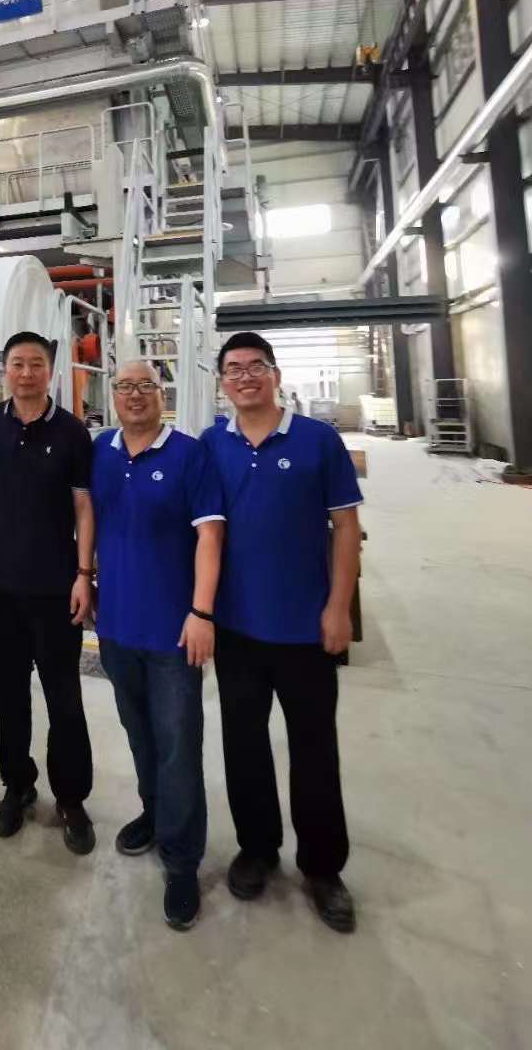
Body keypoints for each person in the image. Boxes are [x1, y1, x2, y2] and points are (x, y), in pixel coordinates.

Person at [201, 332, 363, 934]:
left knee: (314, 750)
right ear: (221, 382)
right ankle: (258, 849)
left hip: (305, 629)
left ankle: (323, 867)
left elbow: (346, 528)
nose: (245, 377)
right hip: (237, 628)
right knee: (243, 745)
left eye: (256, 367)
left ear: (274, 373)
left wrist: (338, 607)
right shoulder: (211, 445)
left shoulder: (318, 440)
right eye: (233, 369)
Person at [90, 360, 224, 930]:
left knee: (178, 746)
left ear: (160, 394)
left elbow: (210, 535)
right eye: (125, 386)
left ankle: (182, 860)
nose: (135, 395)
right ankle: (153, 814)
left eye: (146, 385)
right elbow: (87, 518)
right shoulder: (101, 450)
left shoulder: (190, 454)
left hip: (173, 633)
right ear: (113, 395)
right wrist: (83, 577)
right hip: (116, 628)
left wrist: (201, 612)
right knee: (140, 735)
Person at [0, 331, 96, 854]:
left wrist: (84, 574)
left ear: (50, 371)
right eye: (17, 364)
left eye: (36, 364)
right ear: (4, 370)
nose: (26, 373)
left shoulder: (72, 431)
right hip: (0, 589)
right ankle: (17, 785)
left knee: (64, 698)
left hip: (55, 589)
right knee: (8, 697)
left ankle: (71, 797)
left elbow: (84, 509)